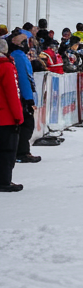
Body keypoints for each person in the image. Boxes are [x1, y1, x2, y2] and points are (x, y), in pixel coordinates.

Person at [0, 46, 24, 192]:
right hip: (5, 117)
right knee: (7, 151)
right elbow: (12, 94)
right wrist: (18, 117)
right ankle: (4, 181)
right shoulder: (7, 67)